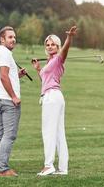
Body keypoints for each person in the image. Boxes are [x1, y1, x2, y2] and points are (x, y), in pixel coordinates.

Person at [32, 26, 77, 176]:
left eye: (53, 44)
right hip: (53, 96)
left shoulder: (58, 59)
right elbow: (45, 81)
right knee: (58, 133)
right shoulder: (50, 62)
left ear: (57, 46)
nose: (50, 46)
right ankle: (63, 169)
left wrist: (69, 38)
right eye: (47, 44)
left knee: (48, 132)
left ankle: (48, 165)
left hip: (52, 97)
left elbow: (65, 50)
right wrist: (38, 69)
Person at [0, 26, 27, 177]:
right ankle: (3, 169)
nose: (13, 39)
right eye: (10, 37)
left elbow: (7, 76)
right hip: (7, 101)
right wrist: (14, 96)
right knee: (9, 135)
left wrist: (17, 75)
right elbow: (3, 77)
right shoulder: (5, 54)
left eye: (14, 37)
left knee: (0, 134)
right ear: (2, 39)